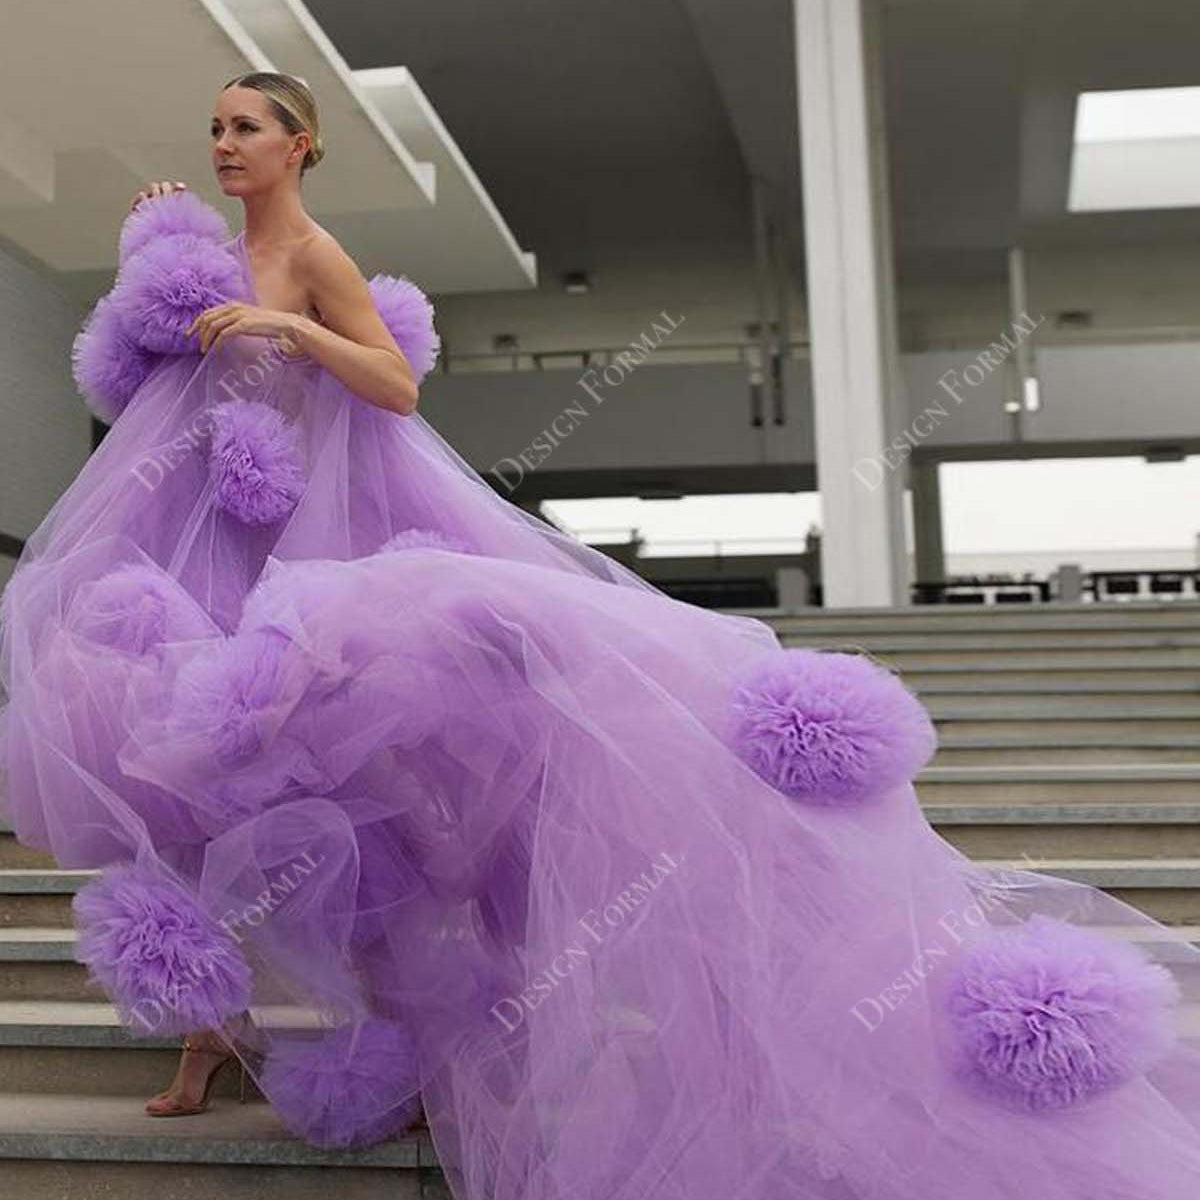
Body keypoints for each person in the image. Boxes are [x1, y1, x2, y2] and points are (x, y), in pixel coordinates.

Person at [2, 71, 1200, 1200]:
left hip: (312, 557)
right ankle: (210, 1036)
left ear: (300, 145)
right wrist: (146, 253)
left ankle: (395, 1042)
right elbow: (128, 377)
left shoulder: (314, 253)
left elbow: (396, 386)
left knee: (353, 786)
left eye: (246, 128)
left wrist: (294, 335)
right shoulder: (210, 250)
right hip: (205, 536)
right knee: (161, 779)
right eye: (214, 129)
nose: (223, 146)